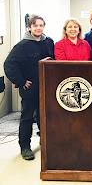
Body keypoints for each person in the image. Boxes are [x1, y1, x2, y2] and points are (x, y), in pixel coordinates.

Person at [4, 15, 54, 160]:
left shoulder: (49, 42)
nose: (38, 28)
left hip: (46, 87)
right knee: (26, 117)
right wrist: (21, 81)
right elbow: (9, 65)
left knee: (43, 116)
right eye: (35, 25)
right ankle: (25, 146)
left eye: (41, 25)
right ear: (29, 27)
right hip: (29, 88)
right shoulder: (22, 46)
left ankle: (44, 141)